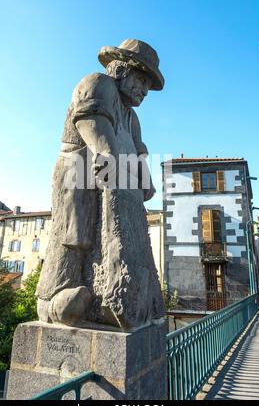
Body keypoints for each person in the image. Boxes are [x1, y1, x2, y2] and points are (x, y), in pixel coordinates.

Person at [36, 39, 166, 329]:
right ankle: (53, 296)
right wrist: (108, 156)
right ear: (121, 69)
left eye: (147, 85)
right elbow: (91, 120)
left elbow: (137, 150)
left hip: (110, 178)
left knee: (106, 236)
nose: (144, 91)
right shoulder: (98, 84)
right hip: (77, 168)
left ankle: (106, 295)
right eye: (141, 80)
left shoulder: (131, 116)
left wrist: (144, 179)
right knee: (75, 230)